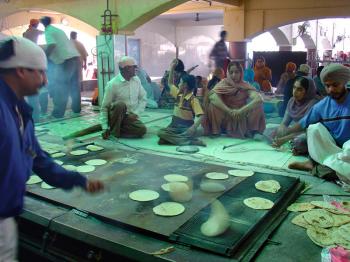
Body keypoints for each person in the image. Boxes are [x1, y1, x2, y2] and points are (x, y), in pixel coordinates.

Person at [0, 37, 104, 261]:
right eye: (40, 72)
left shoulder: (20, 111)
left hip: (7, 217)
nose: (46, 81)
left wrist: (79, 180)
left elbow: (38, 159)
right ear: (20, 71)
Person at [282, 64, 350, 184]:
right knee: (313, 129)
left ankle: (322, 167)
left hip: (348, 150)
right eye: (327, 86)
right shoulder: (322, 105)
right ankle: (320, 165)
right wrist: (285, 132)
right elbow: (304, 123)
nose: (331, 90)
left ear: (343, 83)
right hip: (331, 148)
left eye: (335, 85)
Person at [202, 61, 266, 138]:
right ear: (228, 73)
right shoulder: (224, 83)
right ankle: (216, 130)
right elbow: (212, 97)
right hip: (226, 115)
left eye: (236, 72)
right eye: (231, 72)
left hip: (240, 115)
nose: (234, 75)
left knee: (257, 106)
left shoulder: (245, 85)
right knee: (213, 105)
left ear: (241, 73)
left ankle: (252, 131)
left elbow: (259, 99)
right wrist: (229, 111)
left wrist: (240, 111)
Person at [40, 16, 81, 118]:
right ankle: (77, 109)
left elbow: (52, 45)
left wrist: (44, 56)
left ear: (43, 24)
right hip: (75, 58)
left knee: (61, 86)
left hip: (66, 60)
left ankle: (58, 113)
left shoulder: (48, 31)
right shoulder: (58, 30)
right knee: (74, 85)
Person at [157, 59, 205, 146]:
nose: (178, 84)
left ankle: (178, 139)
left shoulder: (193, 99)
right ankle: (187, 141)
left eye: (181, 83)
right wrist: (171, 68)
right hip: (174, 127)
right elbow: (170, 83)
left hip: (186, 128)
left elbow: (202, 116)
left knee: (200, 130)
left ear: (185, 85)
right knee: (160, 133)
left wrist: (193, 128)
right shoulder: (178, 94)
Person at [100, 56, 147, 139]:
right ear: (126, 68)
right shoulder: (113, 84)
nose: (136, 69)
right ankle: (114, 132)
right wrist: (104, 127)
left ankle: (115, 129)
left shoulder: (136, 80)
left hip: (128, 117)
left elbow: (143, 98)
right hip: (115, 116)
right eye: (134, 67)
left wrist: (136, 113)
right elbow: (104, 107)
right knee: (120, 105)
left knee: (142, 130)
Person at [269, 77, 319, 154]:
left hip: (310, 132)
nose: (295, 92)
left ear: (308, 91)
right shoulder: (292, 101)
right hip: (294, 130)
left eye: (299, 89)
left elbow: (306, 129)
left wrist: (284, 139)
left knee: (300, 141)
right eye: (294, 87)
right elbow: (284, 123)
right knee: (270, 132)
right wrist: (280, 132)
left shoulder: (314, 104)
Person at [23, 18, 47, 121]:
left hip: (27, 59)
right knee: (37, 88)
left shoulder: (25, 33)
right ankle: (37, 115)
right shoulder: (36, 31)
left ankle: (33, 114)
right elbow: (45, 32)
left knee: (30, 89)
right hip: (34, 59)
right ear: (36, 25)